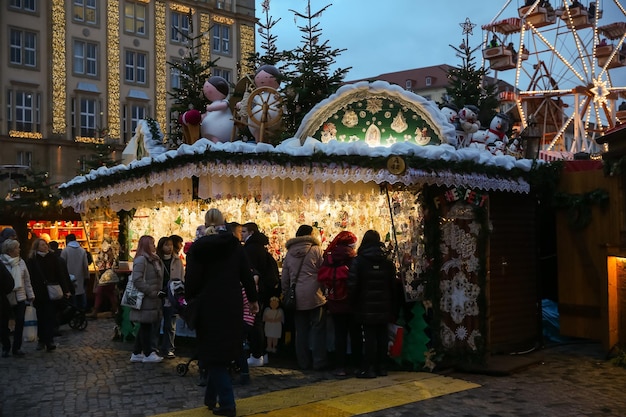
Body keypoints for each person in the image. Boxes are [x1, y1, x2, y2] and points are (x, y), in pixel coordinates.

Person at [185, 208, 258, 417]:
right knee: (223, 352)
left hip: (208, 305)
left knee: (213, 354)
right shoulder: (235, 246)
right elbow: (246, 273)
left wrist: (190, 299)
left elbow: (192, 280)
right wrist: (252, 301)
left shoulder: (198, 248)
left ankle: (227, 403)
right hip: (232, 304)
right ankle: (210, 397)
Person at [348, 230, 397, 378]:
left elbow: (352, 285)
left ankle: (368, 367)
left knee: (369, 337)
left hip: (365, 306)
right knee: (382, 336)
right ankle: (381, 366)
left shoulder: (359, 261)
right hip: (383, 305)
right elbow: (392, 285)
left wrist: (353, 302)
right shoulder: (387, 262)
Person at [281, 224, 327, 371]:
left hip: (297, 297)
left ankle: (303, 362)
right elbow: (323, 272)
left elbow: (285, 278)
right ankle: (319, 361)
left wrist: (286, 292)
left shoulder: (289, 253)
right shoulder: (317, 250)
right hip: (315, 296)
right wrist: (324, 290)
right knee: (318, 330)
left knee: (301, 331)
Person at [317, 231, 361, 377]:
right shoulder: (353, 258)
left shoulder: (329, 256)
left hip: (335, 301)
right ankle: (356, 365)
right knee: (355, 334)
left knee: (339, 334)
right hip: (351, 301)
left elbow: (322, 278)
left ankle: (339, 366)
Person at [241, 222, 279, 367]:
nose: (242, 234)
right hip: (262, 290)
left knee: (253, 323)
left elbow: (249, 272)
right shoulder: (260, 248)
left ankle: (256, 354)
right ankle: (261, 354)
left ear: (251, 232)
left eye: (244, 231)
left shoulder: (250, 249)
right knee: (257, 322)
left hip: (255, 291)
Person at [26, 238, 72, 352]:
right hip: (39, 293)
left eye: (45, 244)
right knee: (41, 317)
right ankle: (42, 340)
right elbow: (29, 277)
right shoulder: (32, 260)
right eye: (42, 245)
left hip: (52, 292)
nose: (45, 247)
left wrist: (66, 289)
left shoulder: (53, 258)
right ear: (37, 247)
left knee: (50, 316)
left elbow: (60, 274)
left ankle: (49, 340)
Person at [129, 235, 164, 363]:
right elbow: (137, 280)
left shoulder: (153, 259)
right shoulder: (141, 260)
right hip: (145, 298)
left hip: (152, 298)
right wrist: (150, 291)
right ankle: (148, 353)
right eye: (152, 243)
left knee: (146, 325)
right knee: (146, 326)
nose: (154, 246)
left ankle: (137, 352)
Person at [1, 239, 33, 357]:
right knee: (3, 323)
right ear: (10, 250)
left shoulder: (21, 262)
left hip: (20, 296)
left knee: (20, 321)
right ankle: (6, 346)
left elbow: (27, 280)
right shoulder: (1, 262)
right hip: (6, 297)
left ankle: (17, 347)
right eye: (16, 248)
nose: (19, 250)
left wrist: (30, 295)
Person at [156, 236, 184, 359]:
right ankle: (154, 347)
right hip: (158, 295)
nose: (169, 247)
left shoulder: (177, 260)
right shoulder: (156, 260)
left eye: (171, 245)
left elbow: (182, 277)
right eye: (166, 245)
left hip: (172, 295)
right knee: (156, 322)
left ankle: (168, 348)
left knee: (170, 323)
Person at [200, 76, 234, 143]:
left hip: (222, 131)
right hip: (207, 132)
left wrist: (212, 108)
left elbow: (224, 106)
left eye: (207, 87)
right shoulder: (212, 104)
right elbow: (207, 114)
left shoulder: (224, 101)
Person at [61, 234, 90, 310]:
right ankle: (82, 311)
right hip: (80, 277)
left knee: (72, 297)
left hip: (68, 278)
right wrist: (87, 276)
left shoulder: (65, 251)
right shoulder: (82, 251)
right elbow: (85, 266)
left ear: (67, 240)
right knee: (81, 294)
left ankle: (73, 312)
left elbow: (61, 265)